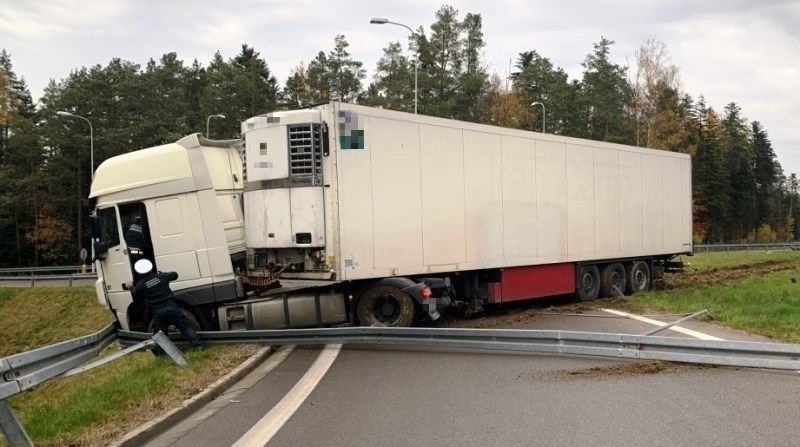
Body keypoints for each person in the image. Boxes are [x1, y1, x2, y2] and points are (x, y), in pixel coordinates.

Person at [124, 259, 204, 350]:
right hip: (172, 308)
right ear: (151, 269)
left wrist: (130, 286)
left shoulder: (141, 284)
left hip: (158, 312)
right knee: (185, 328)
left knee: (160, 336)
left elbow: (135, 292)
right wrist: (161, 273)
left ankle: (162, 356)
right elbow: (175, 274)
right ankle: (199, 347)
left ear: (140, 273)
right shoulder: (161, 276)